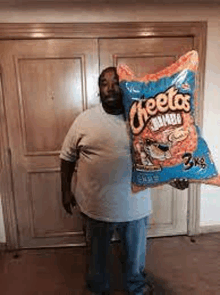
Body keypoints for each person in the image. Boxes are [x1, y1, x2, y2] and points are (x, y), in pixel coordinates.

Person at [60, 67, 189, 295]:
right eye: (103, 83)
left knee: (134, 259)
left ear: (126, 86)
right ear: (98, 90)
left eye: (116, 82)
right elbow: (67, 157)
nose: (110, 88)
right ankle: (98, 289)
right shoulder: (84, 121)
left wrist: (174, 177)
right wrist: (65, 191)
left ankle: (136, 287)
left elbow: (159, 155)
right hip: (95, 208)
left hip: (135, 207)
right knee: (96, 259)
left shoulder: (143, 119)